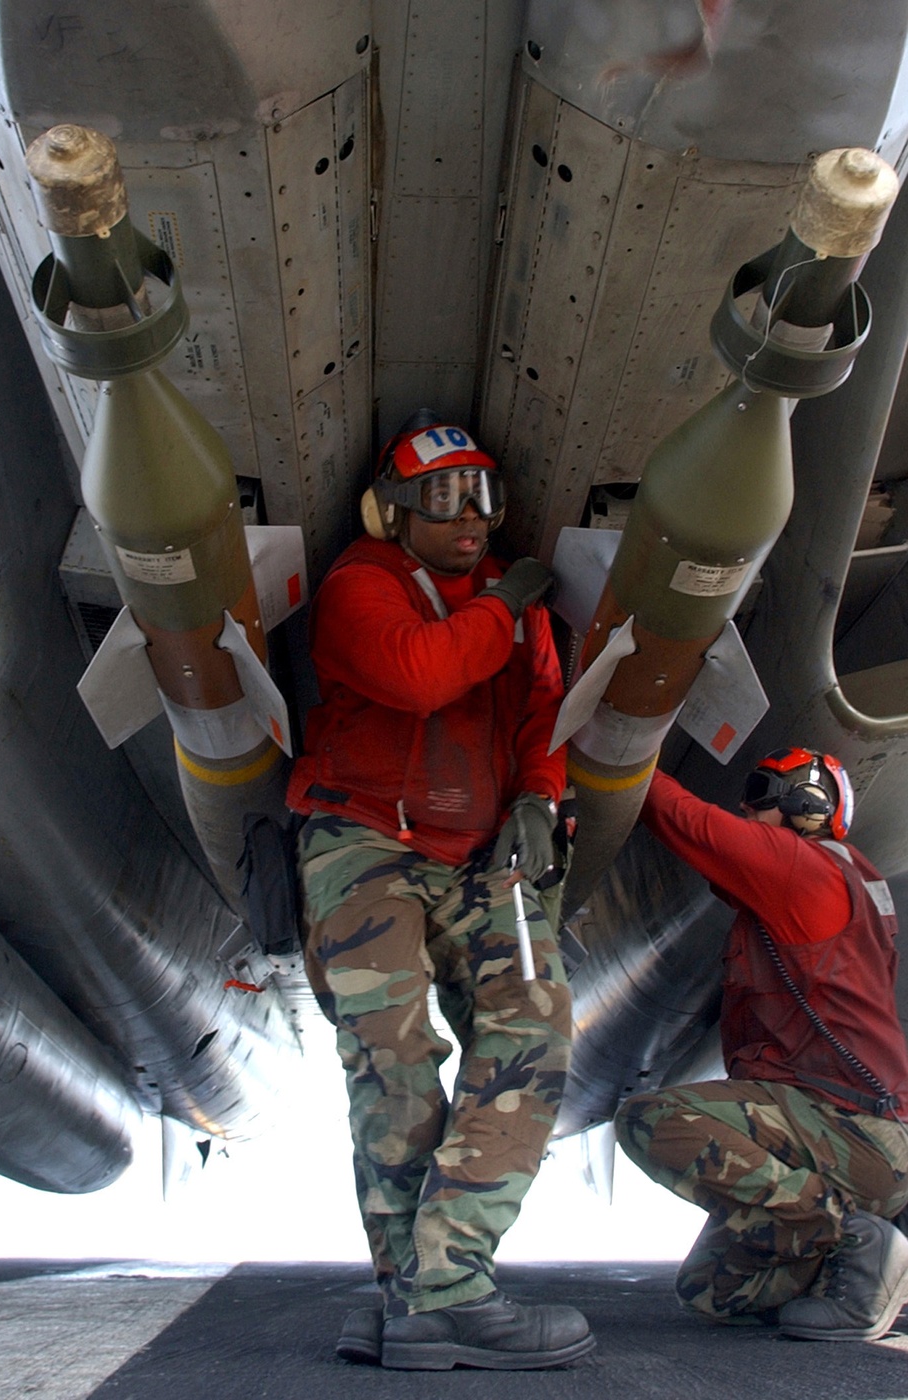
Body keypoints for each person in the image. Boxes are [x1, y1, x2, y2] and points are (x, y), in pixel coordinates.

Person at [286, 414, 591, 1370]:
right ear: (393, 511)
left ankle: (425, 1290)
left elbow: (547, 704)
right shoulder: (358, 586)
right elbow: (422, 676)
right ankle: (431, 1296)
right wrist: (502, 601)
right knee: (395, 1059)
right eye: (446, 499)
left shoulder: (520, 607)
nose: (473, 518)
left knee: (534, 1027)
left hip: (482, 855)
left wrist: (541, 795)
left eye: (485, 497)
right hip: (364, 843)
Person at [614, 748, 908, 1341]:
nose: (745, 806)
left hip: (847, 1127)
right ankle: (855, 1267)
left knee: (650, 1120)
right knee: (712, 1292)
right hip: (843, 1135)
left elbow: (689, 823)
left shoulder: (805, 868)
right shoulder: (845, 877)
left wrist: (616, 745)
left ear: (806, 801)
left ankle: (847, 1235)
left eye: (760, 791)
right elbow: (721, 869)